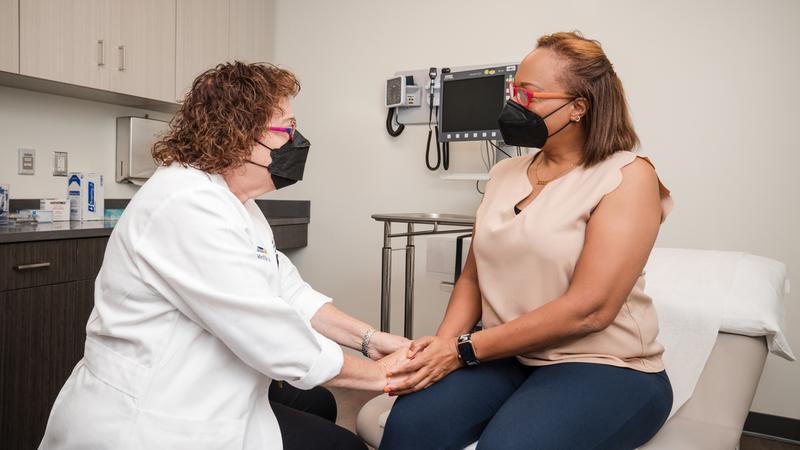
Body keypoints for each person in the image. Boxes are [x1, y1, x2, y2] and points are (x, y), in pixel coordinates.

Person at [39, 62, 410, 450]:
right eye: (285, 128)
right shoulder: (186, 205)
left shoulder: (234, 201)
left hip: (208, 388)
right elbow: (271, 337)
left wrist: (370, 339)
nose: (297, 140)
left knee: (315, 402)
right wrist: (380, 375)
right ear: (237, 135)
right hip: (154, 416)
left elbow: (287, 290)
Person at [381, 31, 675, 450]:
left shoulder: (627, 176)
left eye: (528, 93)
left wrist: (464, 351)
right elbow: (472, 277)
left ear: (578, 107)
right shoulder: (505, 174)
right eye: (513, 90)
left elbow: (589, 311)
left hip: (604, 363)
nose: (513, 103)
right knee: (410, 427)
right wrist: (444, 344)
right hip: (505, 356)